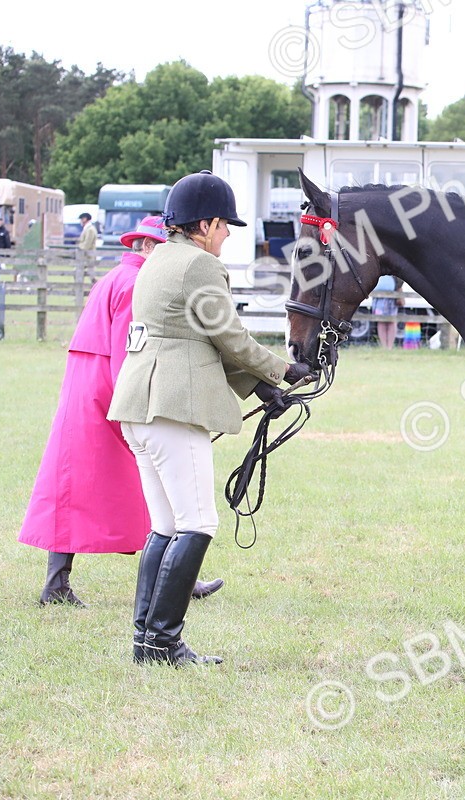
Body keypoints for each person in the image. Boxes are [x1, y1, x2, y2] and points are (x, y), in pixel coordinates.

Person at [108, 170, 310, 666]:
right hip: (174, 408)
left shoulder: (156, 259)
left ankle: (146, 640)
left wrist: (259, 386)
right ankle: (166, 641)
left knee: (165, 525)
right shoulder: (199, 266)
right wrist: (282, 370)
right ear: (205, 224)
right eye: (224, 227)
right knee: (197, 524)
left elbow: (190, 340)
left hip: (140, 405)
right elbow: (230, 338)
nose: (226, 237)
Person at [18, 216, 224, 606]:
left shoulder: (113, 276)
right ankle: (179, 580)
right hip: (109, 389)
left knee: (72, 487)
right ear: (146, 248)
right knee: (166, 485)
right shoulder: (136, 283)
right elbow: (129, 352)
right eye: (159, 246)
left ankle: (57, 582)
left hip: (83, 387)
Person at [371, 274, 400, 349]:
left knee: (392, 321)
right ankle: (384, 346)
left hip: (392, 296)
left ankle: (389, 346)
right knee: (381, 321)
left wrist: (398, 287)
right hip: (378, 296)